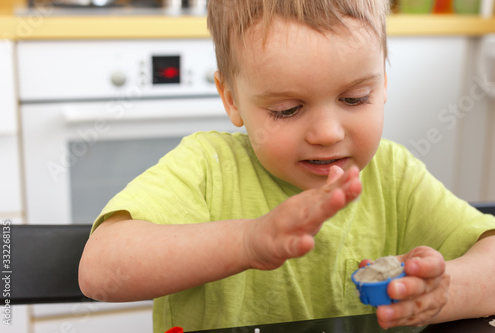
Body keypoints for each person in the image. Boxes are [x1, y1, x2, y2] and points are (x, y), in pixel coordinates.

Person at [78, 0, 495, 332]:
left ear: (383, 82)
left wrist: (442, 293)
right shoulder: (208, 167)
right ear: (232, 100)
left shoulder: (394, 175)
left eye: (354, 99)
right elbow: (98, 270)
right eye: (287, 109)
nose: (328, 133)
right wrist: (248, 242)